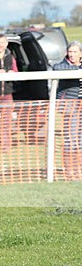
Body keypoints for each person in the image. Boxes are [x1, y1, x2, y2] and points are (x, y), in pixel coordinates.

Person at [53, 41, 82, 179]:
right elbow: (56, 68)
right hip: (70, 107)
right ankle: (69, 170)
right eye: (70, 52)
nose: (72, 55)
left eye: (75, 52)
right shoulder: (62, 65)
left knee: (80, 140)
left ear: (80, 54)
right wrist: (76, 70)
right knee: (70, 139)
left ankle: (78, 169)